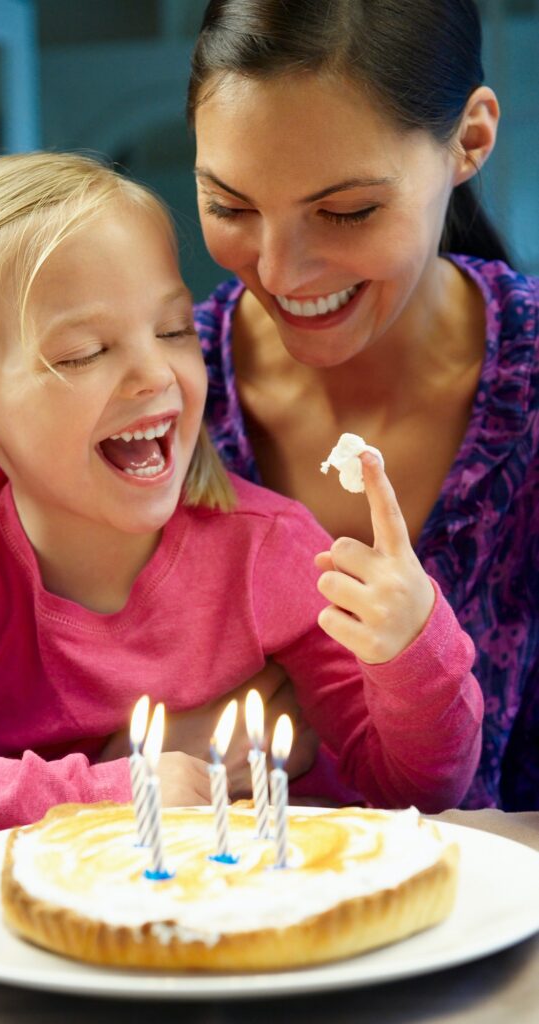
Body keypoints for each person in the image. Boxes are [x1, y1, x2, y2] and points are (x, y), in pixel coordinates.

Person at [0, 152, 481, 847]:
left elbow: (415, 786)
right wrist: (101, 791)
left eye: (172, 331)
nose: (154, 373)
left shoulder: (269, 548)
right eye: (83, 352)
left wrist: (413, 646)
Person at [187, 0, 539, 811]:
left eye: (345, 211)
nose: (278, 271)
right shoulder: (153, 402)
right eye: (230, 207)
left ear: (469, 140)